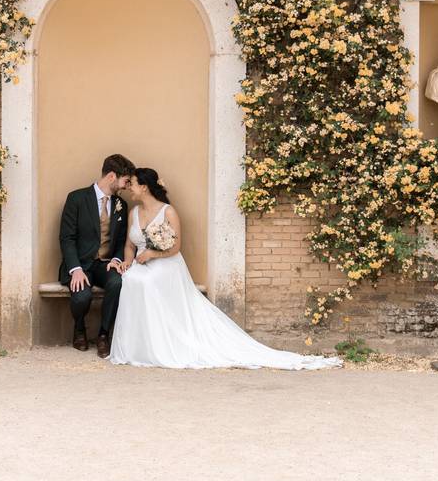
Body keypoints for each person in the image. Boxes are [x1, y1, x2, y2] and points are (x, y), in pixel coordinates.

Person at [108, 167, 342, 371]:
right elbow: (130, 245)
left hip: (165, 263)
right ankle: (138, 345)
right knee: (131, 279)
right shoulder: (133, 213)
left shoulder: (168, 212)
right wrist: (128, 261)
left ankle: (161, 343)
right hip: (141, 263)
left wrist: (153, 253)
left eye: (134, 184)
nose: (130, 188)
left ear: (145, 187)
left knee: (148, 282)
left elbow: (176, 246)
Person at [58, 154, 135, 357]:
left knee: (117, 283)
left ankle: (103, 335)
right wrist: (75, 269)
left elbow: (120, 241)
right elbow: (67, 238)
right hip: (80, 264)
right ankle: (80, 328)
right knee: (82, 295)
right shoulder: (76, 198)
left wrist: (117, 260)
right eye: (125, 181)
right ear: (111, 176)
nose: (126, 186)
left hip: (106, 264)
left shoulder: (121, 205)